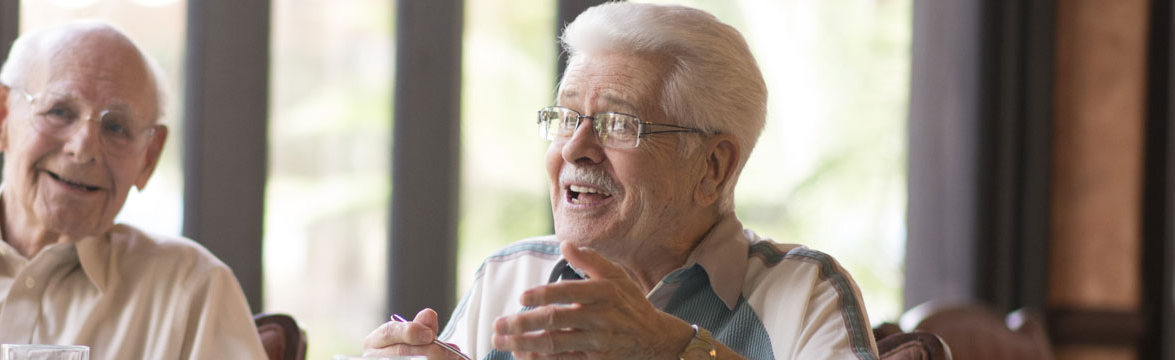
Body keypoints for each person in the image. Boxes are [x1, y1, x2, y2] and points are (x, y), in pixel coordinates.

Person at [362, 3, 879, 359]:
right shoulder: (511, 274)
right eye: (566, 118)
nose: (574, 148)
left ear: (713, 166)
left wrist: (673, 349)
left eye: (618, 124)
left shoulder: (804, 291)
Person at [0, 21, 268, 360]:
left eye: (115, 127)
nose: (83, 148)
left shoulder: (193, 293)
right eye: (59, 111)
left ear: (149, 157)